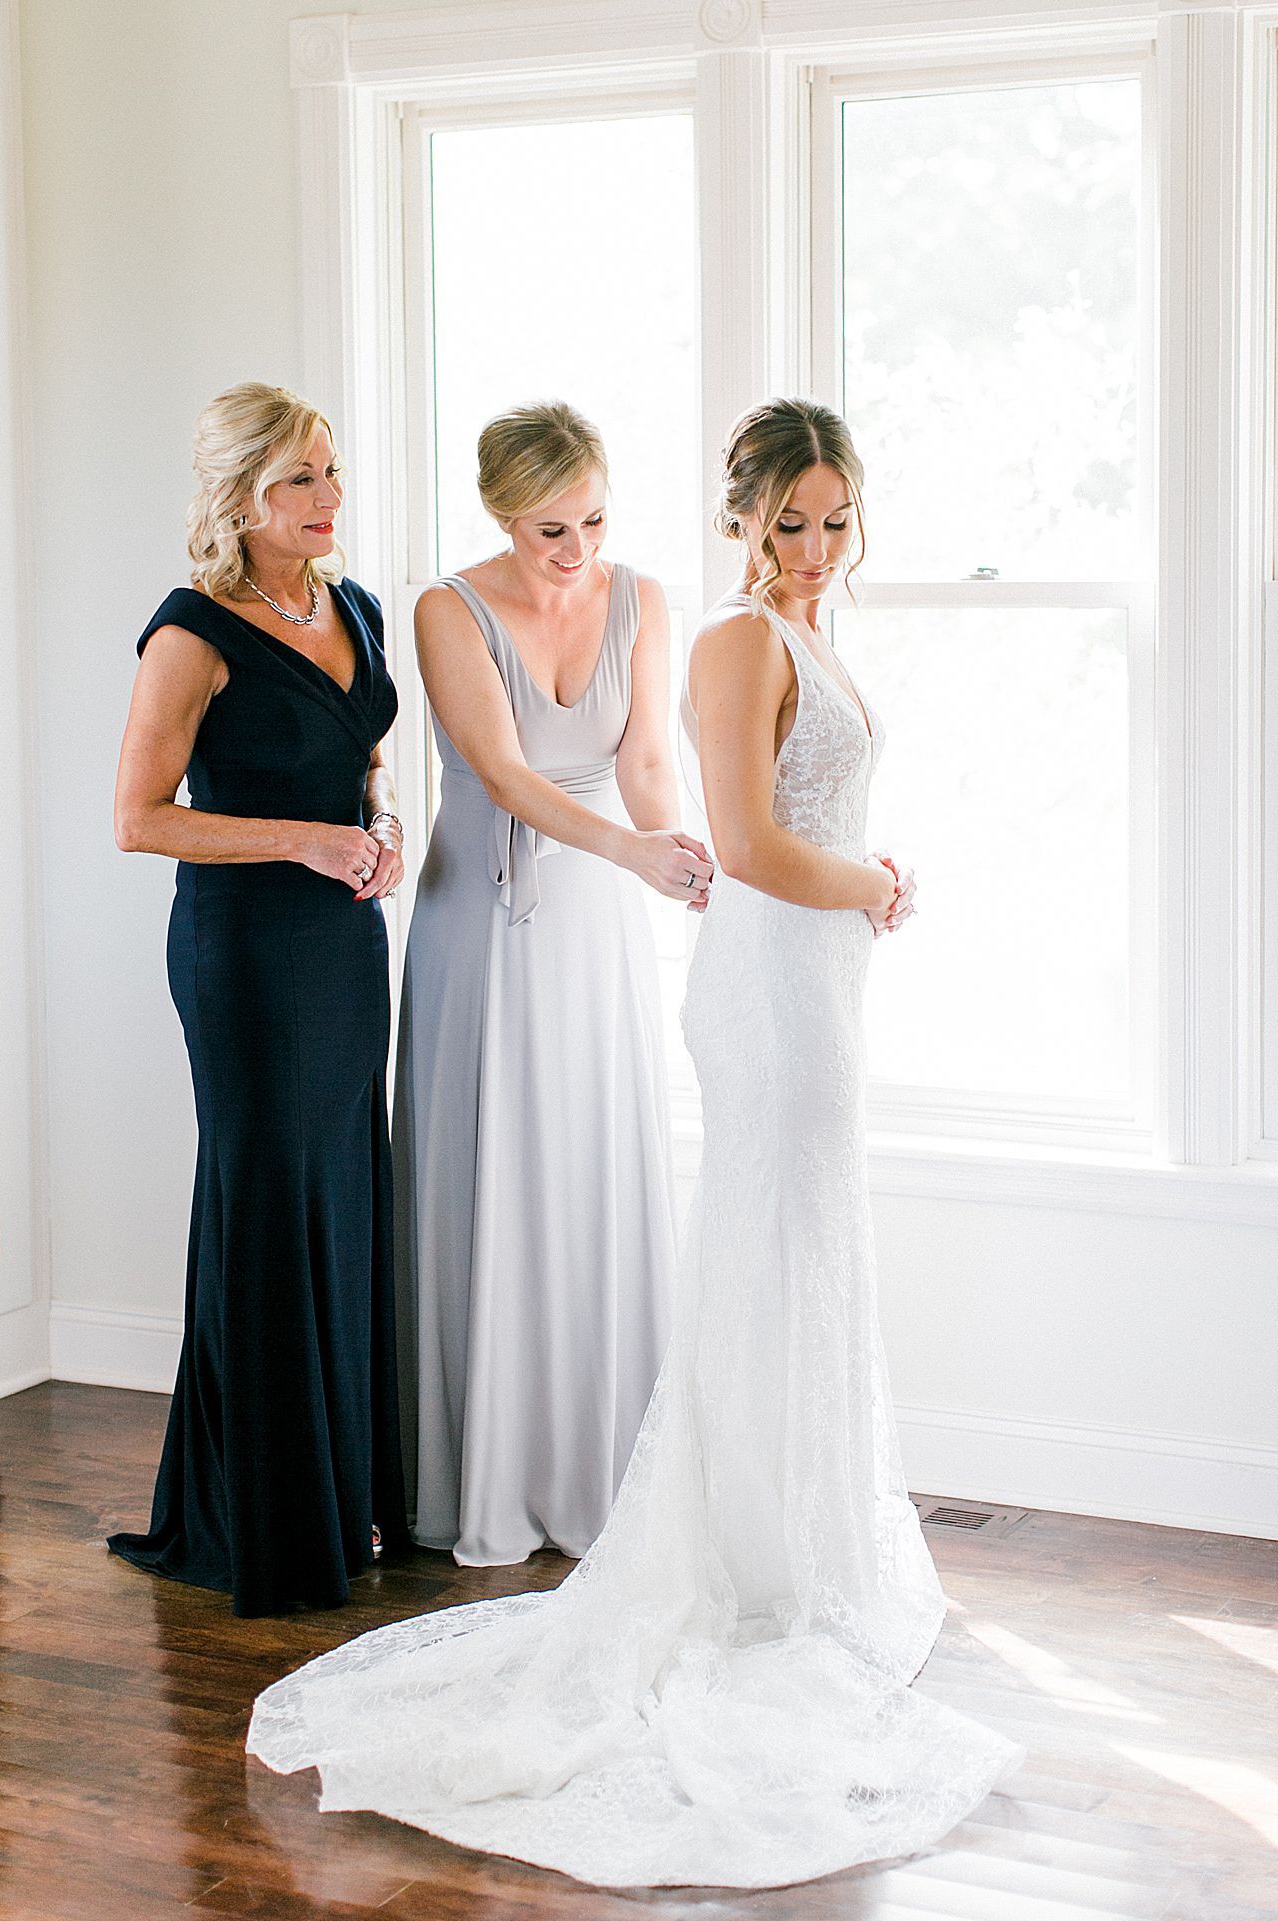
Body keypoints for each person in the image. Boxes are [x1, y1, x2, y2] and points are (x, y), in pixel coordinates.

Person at [248, 398, 1018, 1883]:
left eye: (833, 519)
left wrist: (797, 882)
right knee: (763, 1246)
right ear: (741, 516)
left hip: (789, 959)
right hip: (740, 958)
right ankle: (744, 1551)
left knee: (801, 1249)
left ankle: (798, 1541)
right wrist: (862, 881)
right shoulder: (734, 639)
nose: (810, 547)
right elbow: (743, 828)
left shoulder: (760, 628)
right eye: (786, 521)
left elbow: (698, 816)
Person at [393, 401, 712, 1566]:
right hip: (481, 918)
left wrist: (672, 850)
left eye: (590, 520)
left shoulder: (641, 599)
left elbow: (642, 760)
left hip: (596, 928)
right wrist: (626, 853)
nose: (574, 550)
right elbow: (505, 774)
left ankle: (599, 1469)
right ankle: (488, 1475)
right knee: (494, 1171)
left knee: (590, 1167)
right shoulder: (446, 609)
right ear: (497, 513)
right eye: (546, 530)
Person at [108, 382, 408, 1617]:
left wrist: (376, 823)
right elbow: (138, 821)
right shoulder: (191, 632)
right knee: (266, 1203)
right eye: (297, 480)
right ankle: (269, 1524)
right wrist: (306, 841)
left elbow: (361, 757)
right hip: (244, 954)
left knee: (339, 1191)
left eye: (329, 472)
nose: (326, 499)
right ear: (237, 496)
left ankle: (344, 1502)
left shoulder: (357, 604)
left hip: (342, 943)